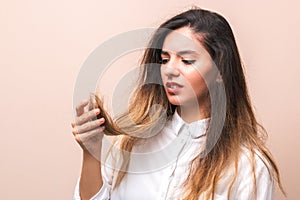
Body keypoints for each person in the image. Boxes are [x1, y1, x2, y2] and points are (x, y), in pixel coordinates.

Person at [71, 8, 285, 200]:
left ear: (220, 71)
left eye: (186, 60)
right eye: (165, 59)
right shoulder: (132, 142)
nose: (170, 69)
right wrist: (91, 151)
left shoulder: (249, 166)